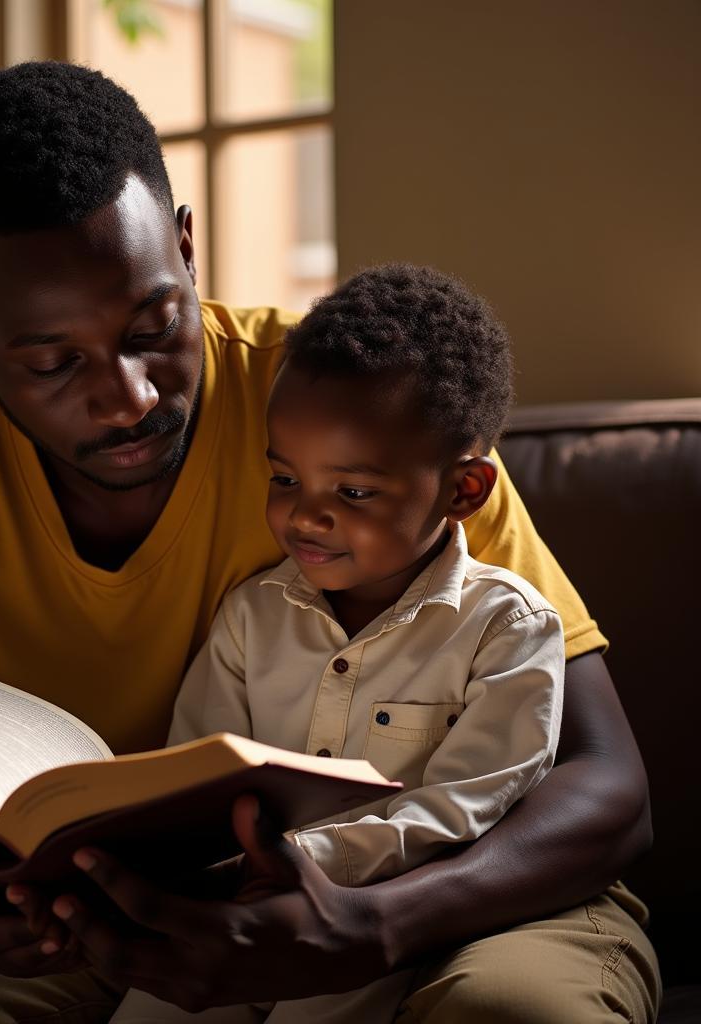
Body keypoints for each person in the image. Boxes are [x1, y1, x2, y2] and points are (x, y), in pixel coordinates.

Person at [0, 62, 659, 1022]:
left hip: (455, 896)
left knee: (512, 1014)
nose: (129, 396)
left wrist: (373, 924)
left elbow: (607, 782)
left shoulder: (364, 403)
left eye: (155, 324)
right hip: (121, 917)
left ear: (187, 246)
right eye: (53, 362)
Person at [104, 264, 564, 1021]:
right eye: (285, 480)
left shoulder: (507, 629)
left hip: (383, 923)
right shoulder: (254, 616)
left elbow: (465, 808)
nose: (304, 518)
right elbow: (199, 768)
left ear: (463, 492)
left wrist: (312, 860)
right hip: (239, 908)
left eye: (352, 493)